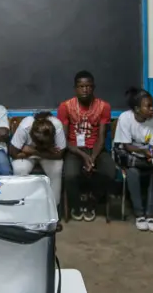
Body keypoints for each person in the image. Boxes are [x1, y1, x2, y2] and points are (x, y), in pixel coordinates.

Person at [57, 71, 116, 222]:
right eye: (81, 86)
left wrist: (92, 158)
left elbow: (101, 138)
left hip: (96, 149)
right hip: (74, 149)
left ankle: (91, 203)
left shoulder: (104, 106)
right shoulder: (65, 107)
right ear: (75, 88)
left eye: (89, 86)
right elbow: (64, 139)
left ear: (93, 87)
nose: (85, 89)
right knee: (69, 175)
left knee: (110, 171)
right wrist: (83, 156)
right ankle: (76, 205)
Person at [113, 87, 153, 232]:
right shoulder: (125, 118)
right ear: (137, 109)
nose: (152, 109)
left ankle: (150, 215)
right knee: (133, 173)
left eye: (152, 105)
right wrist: (143, 151)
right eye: (148, 106)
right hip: (131, 156)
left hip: (147, 156)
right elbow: (126, 145)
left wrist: (152, 154)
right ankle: (139, 215)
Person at [9, 112, 66, 212]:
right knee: (19, 169)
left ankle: (54, 210)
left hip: (40, 154)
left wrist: (35, 151)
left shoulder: (57, 126)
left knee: (56, 169)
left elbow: (59, 154)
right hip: (30, 155)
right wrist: (35, 151)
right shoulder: (25, 126)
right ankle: (21, 208)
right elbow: (13, 152)